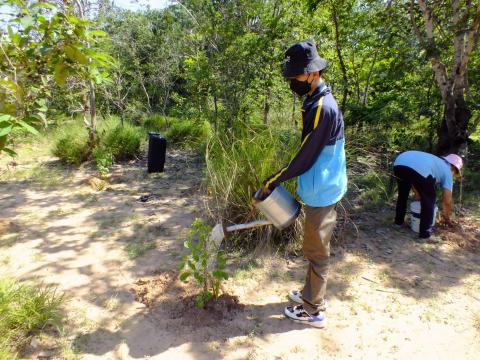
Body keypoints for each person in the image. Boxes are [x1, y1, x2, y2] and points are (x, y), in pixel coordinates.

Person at [260, 40, 347, 328]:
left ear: (311, 73)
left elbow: (306, 156)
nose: (292, 81)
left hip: (323, 189)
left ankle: (313, 310)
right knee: (313, 245)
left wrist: (274, 181)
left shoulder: (323, 107)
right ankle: (310, 293)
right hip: (319, 185)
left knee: (317, 251)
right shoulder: (313, 98)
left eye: (295, 75)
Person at [393, 151, 463, 242]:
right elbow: (447, 200)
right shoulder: (448, 171)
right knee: (429, 200)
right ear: (454, 167)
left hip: (399, 162)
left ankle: (398, 223)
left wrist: (418, 193)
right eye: (455, 172)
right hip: (416, 169)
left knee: (403, 194)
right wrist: (446, 217)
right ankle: (425, 235)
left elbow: (413, 174)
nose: (454, 174)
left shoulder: (435, 161)